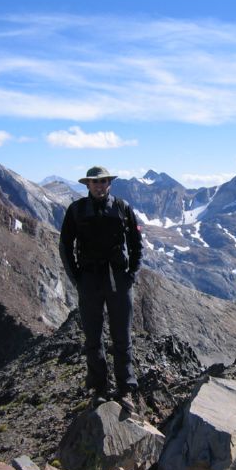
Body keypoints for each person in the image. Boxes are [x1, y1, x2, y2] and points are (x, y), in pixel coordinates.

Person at [59, 166, 143, 413]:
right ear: (87, 185)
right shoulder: (76, 210)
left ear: (109, 184)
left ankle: (125, 389)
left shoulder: (122, 208)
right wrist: (77, 279)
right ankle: (99, 389)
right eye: (94, 182)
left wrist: (131, 275)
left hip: (118, 280)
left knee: (122, 337)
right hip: (89, 281)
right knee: (93, 339)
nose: (99, 185)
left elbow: (137, 244)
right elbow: (65, 245)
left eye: (103, 181)